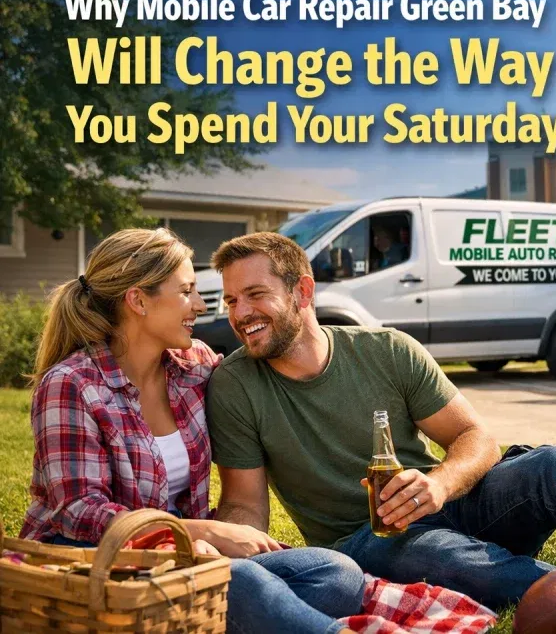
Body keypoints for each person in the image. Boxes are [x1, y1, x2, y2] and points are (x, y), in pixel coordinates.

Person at [203, 231, 556, 634]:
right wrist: (228, 544)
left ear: (302, 292)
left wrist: (440, 485)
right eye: (230, 300)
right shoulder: (236, 384)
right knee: (443, 556)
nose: (240, 312)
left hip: (448, 503)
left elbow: (476, 439)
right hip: (365, 541)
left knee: (552, 463)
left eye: (255, 295)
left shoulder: (386, 350)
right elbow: (246, 505)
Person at [19, 228, 367, 634]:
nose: (201, 305)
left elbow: (262, 382)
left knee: (334, 572)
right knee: (245, 582)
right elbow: (80, 513)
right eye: (186, 291)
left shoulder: (194, 365)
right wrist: (198, 531)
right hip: (88, 560)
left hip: (184, 557)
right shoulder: (72, 384)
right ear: (137, 300)